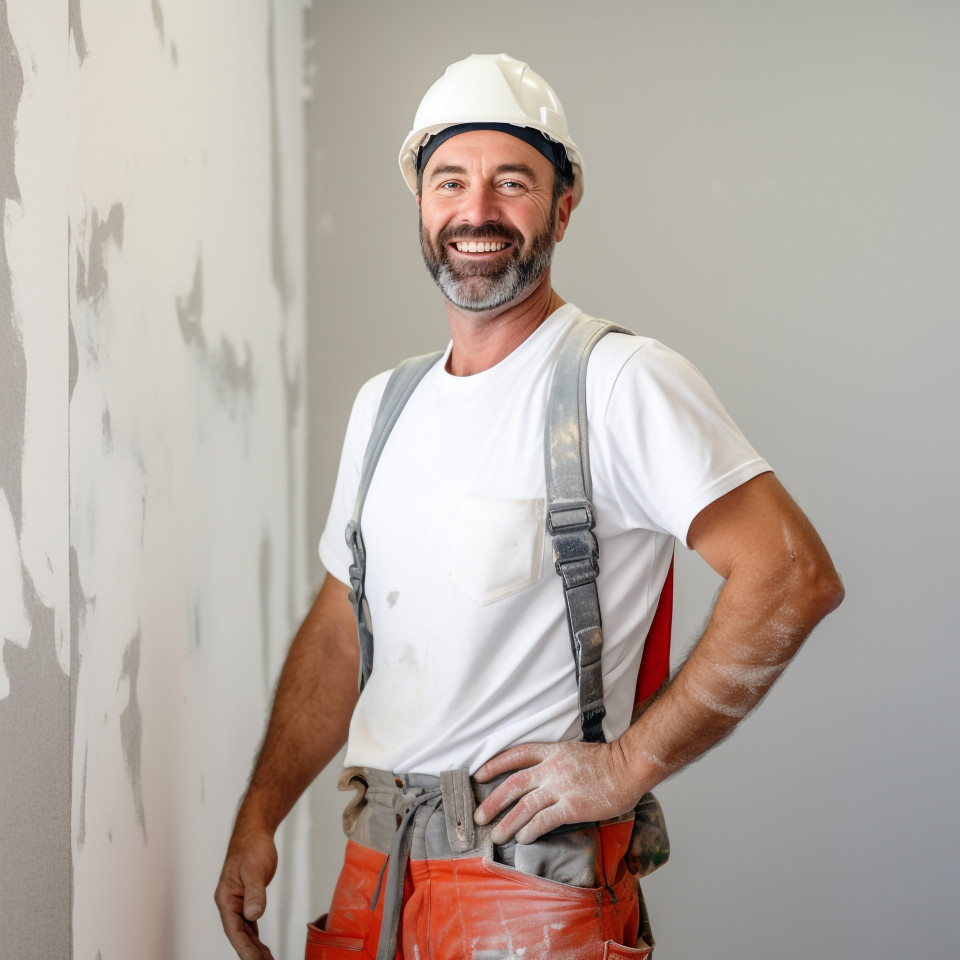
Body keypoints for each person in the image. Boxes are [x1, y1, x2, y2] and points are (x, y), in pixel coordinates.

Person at [215, 53, 844, 960]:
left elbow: (792, 575)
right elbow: (338, 634)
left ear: (563, 204)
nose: (476, 212)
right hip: (373, 872)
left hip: (524, 887)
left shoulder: (617, 382)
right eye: (449, 182)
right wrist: (260, 813)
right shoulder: (382, 408)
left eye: (512, 182)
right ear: (422, 203)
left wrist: (628, 765)